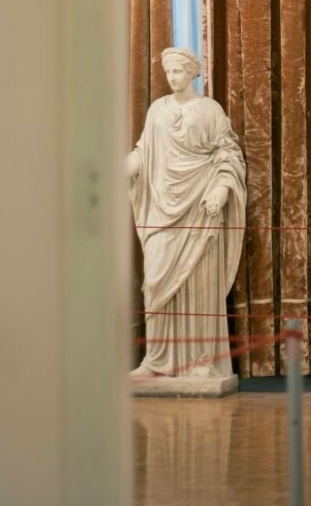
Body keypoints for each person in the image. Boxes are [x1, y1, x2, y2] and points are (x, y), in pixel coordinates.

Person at [127, 48, 247, 380]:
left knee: (200, 288)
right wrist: (129, 165)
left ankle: (200, 360)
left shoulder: (210, 110)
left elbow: (229, 152)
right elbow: (144, 150)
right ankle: (156, 359)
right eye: (169, 72)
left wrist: (221, 187)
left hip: (200, 208)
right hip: (162, 208)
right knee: (155, 281)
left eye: (179, 71)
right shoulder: (157, 111)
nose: (173, 77)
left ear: (192, 73)